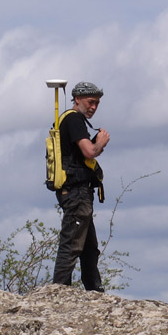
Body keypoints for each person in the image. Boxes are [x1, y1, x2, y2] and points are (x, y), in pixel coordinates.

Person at [52, 81, 110, 292]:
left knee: (89, 249)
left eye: (97, 103)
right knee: (71, 245)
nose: (94, 107)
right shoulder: (75, 119)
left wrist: (96, 144)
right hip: (76, 193)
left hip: (78, 192)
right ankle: (58, 293)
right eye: (90, 102)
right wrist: (101, 141)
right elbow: (89, 152)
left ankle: (95, 292)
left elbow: (84, 153)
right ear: (77, 99)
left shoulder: (70, 120)